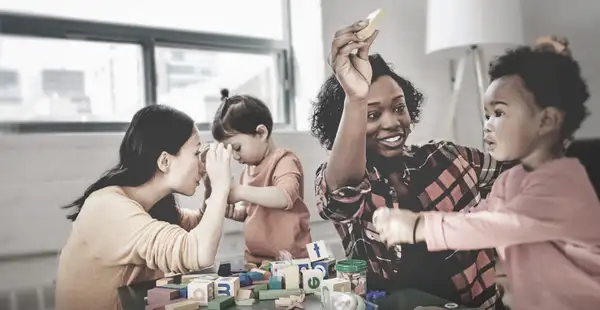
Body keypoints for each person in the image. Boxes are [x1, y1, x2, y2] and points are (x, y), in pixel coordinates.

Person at [373, 39, 600, 310]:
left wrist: (418, 226)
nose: (487, 124)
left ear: (546, 120)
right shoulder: (510, 180)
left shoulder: (564, 184)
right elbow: (477, 218)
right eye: (486, 114)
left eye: (499, 113)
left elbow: (497, 226)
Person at [310, 21, 513, 309]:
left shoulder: (446, 158)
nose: (392, 122)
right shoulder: (341, 177)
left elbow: (521, 172)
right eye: (372, 115)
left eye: (399, 107)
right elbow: (341, 193)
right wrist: (356, 97)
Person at [55, 105, 233, 310]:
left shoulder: (150, 204)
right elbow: (198, 252)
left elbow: (194, 230)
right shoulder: (108, 208)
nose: (202, 166)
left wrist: (212, 194)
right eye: (196, 153)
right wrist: (221, 187)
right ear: (165, 161)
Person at [210, 89, 312, 264]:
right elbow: (253, 211)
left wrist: (240, 191)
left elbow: (284, 197)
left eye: (237, 148)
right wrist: (237, 212)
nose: (235, 156)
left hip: (291, 260)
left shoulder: (284, 161)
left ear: (261, 133)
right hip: (254, 259)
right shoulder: (247, 172)